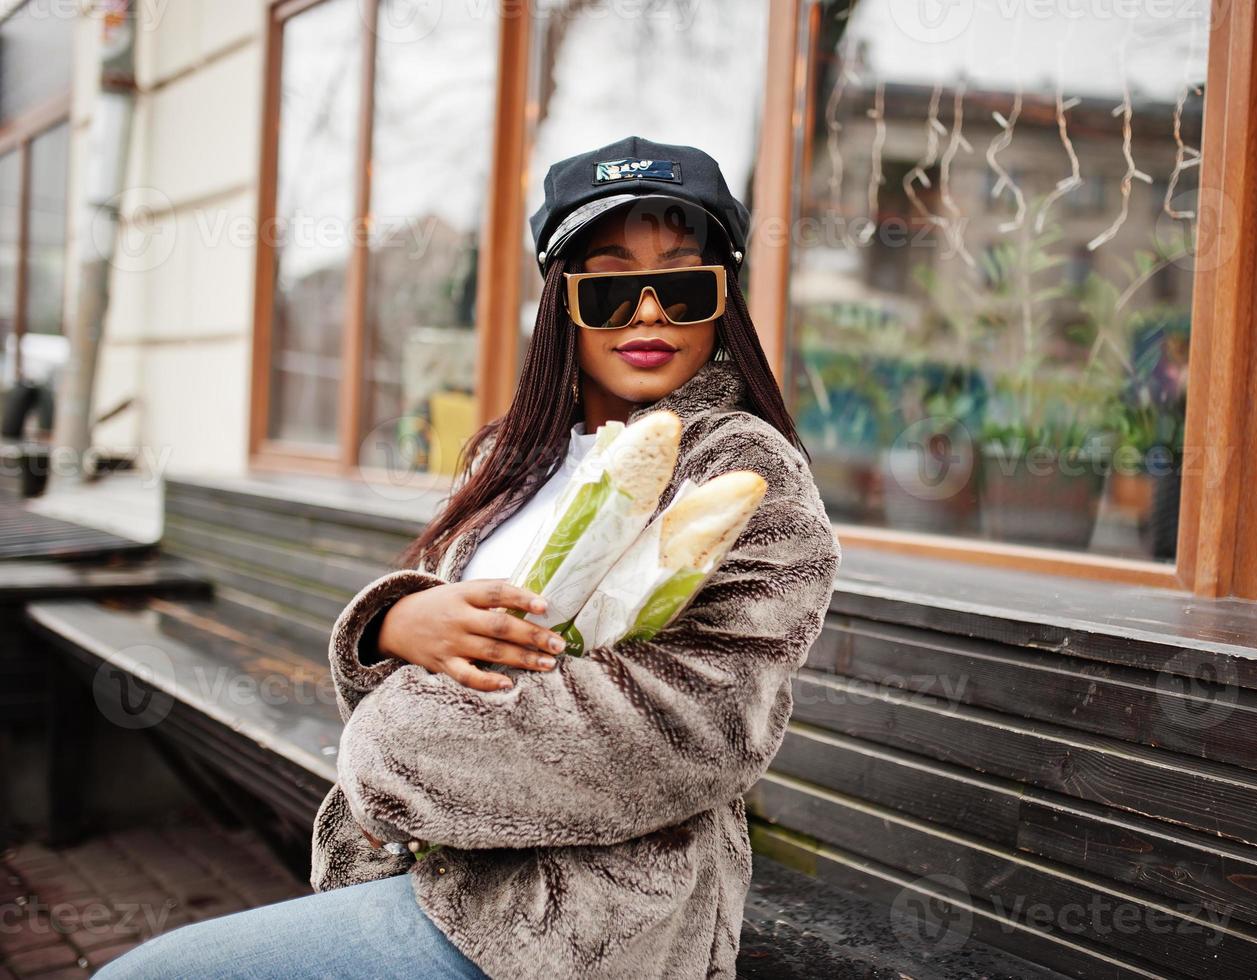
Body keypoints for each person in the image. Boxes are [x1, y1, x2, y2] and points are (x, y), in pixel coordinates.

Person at [96, 136, 841, 979]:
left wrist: (391, 745)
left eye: (679, 283)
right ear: (561, 301)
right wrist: (398, 623)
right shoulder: (513, 456)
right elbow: (472, 630)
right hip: (435, 873)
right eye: (606, 287)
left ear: (719, 300)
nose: (646, 313)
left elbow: (696, 724)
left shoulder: (744, 472)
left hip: (576, 918)